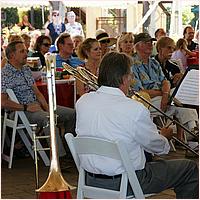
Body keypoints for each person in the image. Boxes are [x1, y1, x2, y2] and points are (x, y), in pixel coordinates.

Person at [75, 51, 198, 199]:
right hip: (128, 182)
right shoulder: (134, 108)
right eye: (131, 75)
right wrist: (165, 138)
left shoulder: (83, 102)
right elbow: (157, 148)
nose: (132, 79)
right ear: (124, 78)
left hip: (90, 180)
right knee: (189, 168)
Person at [1, 41, 76, 158]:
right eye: (22, 51)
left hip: (36, 107)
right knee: (48, 120)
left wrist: (47, 107)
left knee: (72, 114)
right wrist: (26, 107)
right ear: (11, 56)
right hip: (20, 112)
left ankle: (68, 148)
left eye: (26, 50)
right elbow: (3, 102)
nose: (26, 54)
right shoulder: (5, 74)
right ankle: (58, 159)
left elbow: (37, 92)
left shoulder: (25, 69)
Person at [130, 33, 198, 141]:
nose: (150, 45)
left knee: (181, 98)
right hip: (145, 101)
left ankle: (194, 133)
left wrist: (166, 94)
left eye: (151, 43)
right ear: (137, 46)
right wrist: (165, 94)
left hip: (163, 99)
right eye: (146, 43)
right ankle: (193, 133)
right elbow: (140, 93)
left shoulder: (154, 62)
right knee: (178, 100)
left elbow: (165, 81)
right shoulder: (130, 63)